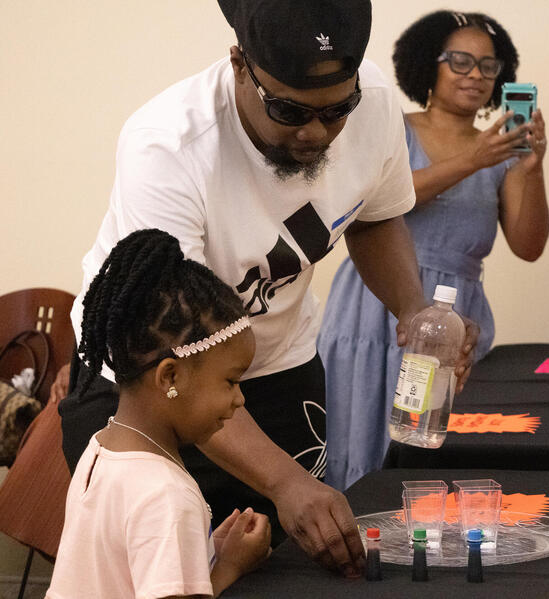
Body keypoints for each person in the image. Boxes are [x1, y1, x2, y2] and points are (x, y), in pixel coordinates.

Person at [58, 0, 477, 577]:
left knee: (284, 567)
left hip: (276, 365)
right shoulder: (169, 147)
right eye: (288, 110)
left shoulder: (374, 105)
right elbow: (175, 350)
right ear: (239, 64)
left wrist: (412, 310)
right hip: (154, 383)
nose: (314, 133)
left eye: (336, 112)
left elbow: (375, 215)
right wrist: (285, 481)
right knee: (166, 565)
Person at [318, 10, 549, 490]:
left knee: (432, 444)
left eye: (489, 66)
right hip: (376, 300)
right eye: (460, 61)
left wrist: (531, 169)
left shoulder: (500, 150)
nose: (476, 76)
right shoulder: (395, 128)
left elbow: (529, 247)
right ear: (428, 64)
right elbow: (381, 200)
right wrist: (473, 159)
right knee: (358, 430)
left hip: (455, 313)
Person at [47, 229, 271, 599]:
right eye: (231, 382)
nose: (240, 400)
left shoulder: (101, 447)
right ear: (170, 376)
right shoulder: (166, 495)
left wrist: (203, 551)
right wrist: (231, 567)